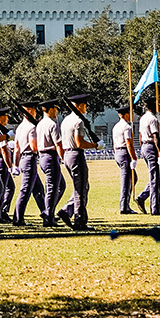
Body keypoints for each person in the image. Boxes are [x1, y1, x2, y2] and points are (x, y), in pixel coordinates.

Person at [56, 94, 97, 230]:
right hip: (76, 154)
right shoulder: (78, 121)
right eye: (84, 105)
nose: (86, 107)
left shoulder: (66, 120)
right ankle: (80, 221)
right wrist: (95, 145)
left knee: (82, 187)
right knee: (80, 189)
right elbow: (79, 142)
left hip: (67, 154)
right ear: (79, 106)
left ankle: (67, 210)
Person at [134, 102, 160, 215]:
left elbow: (140, 135)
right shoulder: (152, 119)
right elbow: (155, 136)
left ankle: (143, 197)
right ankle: (156, 209)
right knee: (155, 178)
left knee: (155, 176)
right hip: (151, 146)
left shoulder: (142, 118)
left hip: (144, 146)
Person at [113, 105, 137, 214]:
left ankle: (125, 203)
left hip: (117, 152)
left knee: (133, 178)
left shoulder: (116, 127)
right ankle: (124, 207)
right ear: (126, 114)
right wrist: (134, 157)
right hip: (124, 152)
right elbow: (129, 143)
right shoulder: (126, 127)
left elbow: (114, 143)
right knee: (126, 181)